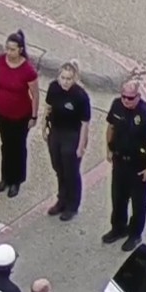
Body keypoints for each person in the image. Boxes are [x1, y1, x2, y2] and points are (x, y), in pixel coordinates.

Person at [102, 79, 146, 252]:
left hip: (138, 167)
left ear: (138, 96)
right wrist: (109, 149)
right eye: (124, 97)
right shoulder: (117, 105)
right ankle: (118, 228)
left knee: (138, 204)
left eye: (130, 98)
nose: (126, 100)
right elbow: (111, 127)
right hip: (120, 162)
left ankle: (135, 234)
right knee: (118, 198)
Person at [0, 30, 39, 199]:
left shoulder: (28, 70)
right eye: (7, 49)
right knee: (5, 145)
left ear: (20, 50)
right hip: (2, 112)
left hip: (20, 115)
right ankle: (5, 178)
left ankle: (16, 180)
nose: (9, 52)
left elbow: (35, 94)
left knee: (17, 146)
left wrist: (34, 116)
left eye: (12, 49)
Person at [42, 59, 91, 221]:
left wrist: (81, 146)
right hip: (56, 131)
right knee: (58, 168)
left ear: (74, 78)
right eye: (63, 78)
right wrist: (44, 127)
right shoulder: (53, 88)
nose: (65, 82)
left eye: (69, 78)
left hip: (72, 135)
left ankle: (72, 205)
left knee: (71, 172)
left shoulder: (80, 96)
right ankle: (61, 200)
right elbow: (48, 107)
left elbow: (85, 123)